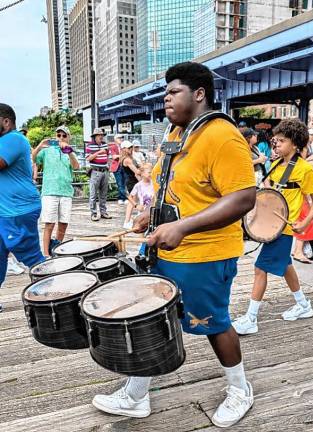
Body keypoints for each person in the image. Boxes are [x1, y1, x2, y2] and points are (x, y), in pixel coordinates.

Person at [92, 62, 256, 428]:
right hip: (168, 250)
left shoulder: (220, 136)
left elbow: (244, 197)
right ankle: (136, 396)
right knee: (152, 320)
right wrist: (148, 219)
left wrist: (183, 227)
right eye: (164, 93)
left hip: (205, 255)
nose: (165, 99)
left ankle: (240, 389)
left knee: (213, 323)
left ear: (199, 94)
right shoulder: (176, 133)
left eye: (173, 92)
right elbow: (173, 189)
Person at [233, 119, 313, 336]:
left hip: (284, 230)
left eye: (281, 141)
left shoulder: (304, 169)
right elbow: (272, 191)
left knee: (260, 268)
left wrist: (305, 222)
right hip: (272, 226)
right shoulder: (278, 164)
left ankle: (251, 318)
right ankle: (303, 305)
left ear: (295, 144)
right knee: (286, 266)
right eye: (275, 141)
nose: (276, 144)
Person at [0, 103, 45, 311]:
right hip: (6, 211)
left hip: (17, 211)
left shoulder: (14, 139)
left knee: (32, 257)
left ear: (6, 122)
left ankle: (56, 293)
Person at [32, 126, 79, 257]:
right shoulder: (47, 150)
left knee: (64, 223)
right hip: (49, 191)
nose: (61, 138)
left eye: (64, 136)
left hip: (66, 191)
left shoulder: (70, 152)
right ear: (55, 136)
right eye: (59, 135)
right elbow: (33, 159)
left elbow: (76, 166)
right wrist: (40, 146)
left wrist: (69, 151)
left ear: (68, 138)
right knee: (49, 223)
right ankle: (46, 254)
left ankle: (56, 249)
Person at [85, 128, 112, 221]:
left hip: (105, 170)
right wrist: (99, 152)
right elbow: (88, 158)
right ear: (95, 137)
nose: (101, 136)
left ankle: (103, 212)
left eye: (102, 135)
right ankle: (93, 213)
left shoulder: (105, 144)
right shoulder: (89, 146)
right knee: (93, 194)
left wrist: (109, 165)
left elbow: (108, 156)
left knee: (103, 193)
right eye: (99, 135)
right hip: (95, 171)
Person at [123, 162, 154, 230]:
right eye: (149, 172)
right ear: (142, 174)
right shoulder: (138, 185)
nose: (151, 174)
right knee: (141, 229)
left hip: (152, 211)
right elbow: (129, 196)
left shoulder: (154, 183)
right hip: (142, 211)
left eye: (152, 172)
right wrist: (136, 205)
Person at [108, 134, 127, 204]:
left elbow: (127, 155)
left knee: (124, 183)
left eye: (122, 138)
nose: (121, 139)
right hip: (117, 167)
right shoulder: (113, 147)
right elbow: (114, 157)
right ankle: (123, 198)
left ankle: (122, 197)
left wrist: (119, 156)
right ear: (115, 139)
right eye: (119, 138)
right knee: (119, 183)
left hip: (124, 166)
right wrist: (122, 156)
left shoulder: (124, 147)